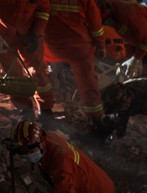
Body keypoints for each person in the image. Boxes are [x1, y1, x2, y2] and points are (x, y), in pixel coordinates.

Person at [43, 0, 106, 131]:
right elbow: (95, 24)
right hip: (78, 46)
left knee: (40, 74)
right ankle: (96, 120)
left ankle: (44, 112)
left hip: (48, 47)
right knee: (88, 82)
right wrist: (100, 45)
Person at [0, 0, 55, 115]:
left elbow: (44, 9)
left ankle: (46, 109)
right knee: (14, 76)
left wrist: (36, 33)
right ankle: (25, 109)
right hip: (4, 36)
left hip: (29, 34)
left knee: (37, 71)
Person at [102, 0, 147, 76]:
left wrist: (134, 59)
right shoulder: (115, 14)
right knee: (145, 73)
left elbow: (146, 41)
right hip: (143, 38)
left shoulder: (130, 13)